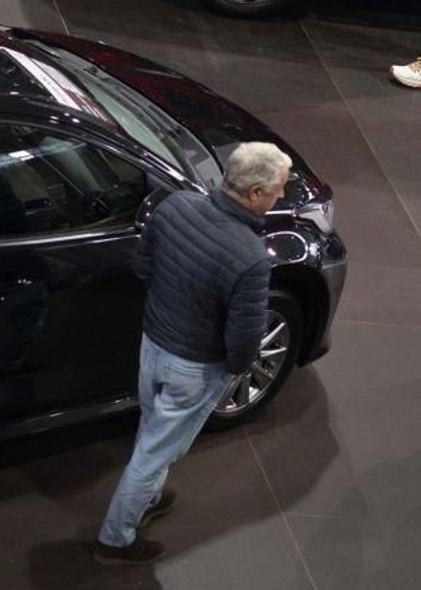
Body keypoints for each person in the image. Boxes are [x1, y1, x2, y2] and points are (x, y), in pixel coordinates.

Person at [93, 142, 291, 566]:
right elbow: (244, 337)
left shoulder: (177, 205)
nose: (281, 197)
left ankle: (149, 496)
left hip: (154, 343)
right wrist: (235, 370)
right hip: (196, 368)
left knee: (152, 430)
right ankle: (116, 540)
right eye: (278, 190)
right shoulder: (250, 257)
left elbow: (142, 266)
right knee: (153, 454)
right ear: (255, 193)